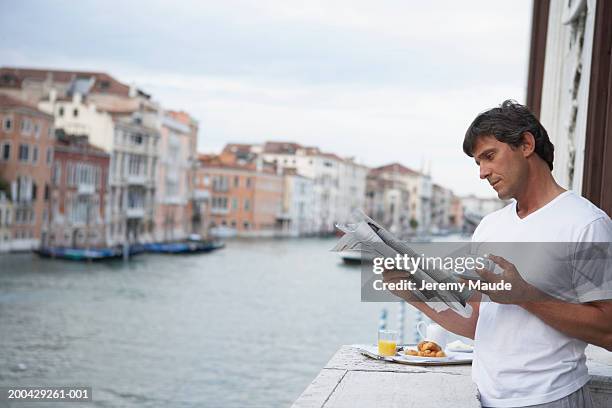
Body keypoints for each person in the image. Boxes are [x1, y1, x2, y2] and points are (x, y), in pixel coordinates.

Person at [383, 100, 612, 407]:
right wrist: (411, 293)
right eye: (477, 163)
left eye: (489, 156)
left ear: (526, 144)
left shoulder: (586, 224)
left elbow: (608, 331)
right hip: (485, 398)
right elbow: (480, 323)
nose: (482, 172)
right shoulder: (490, 226)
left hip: (551, 398)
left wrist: (525, 296)